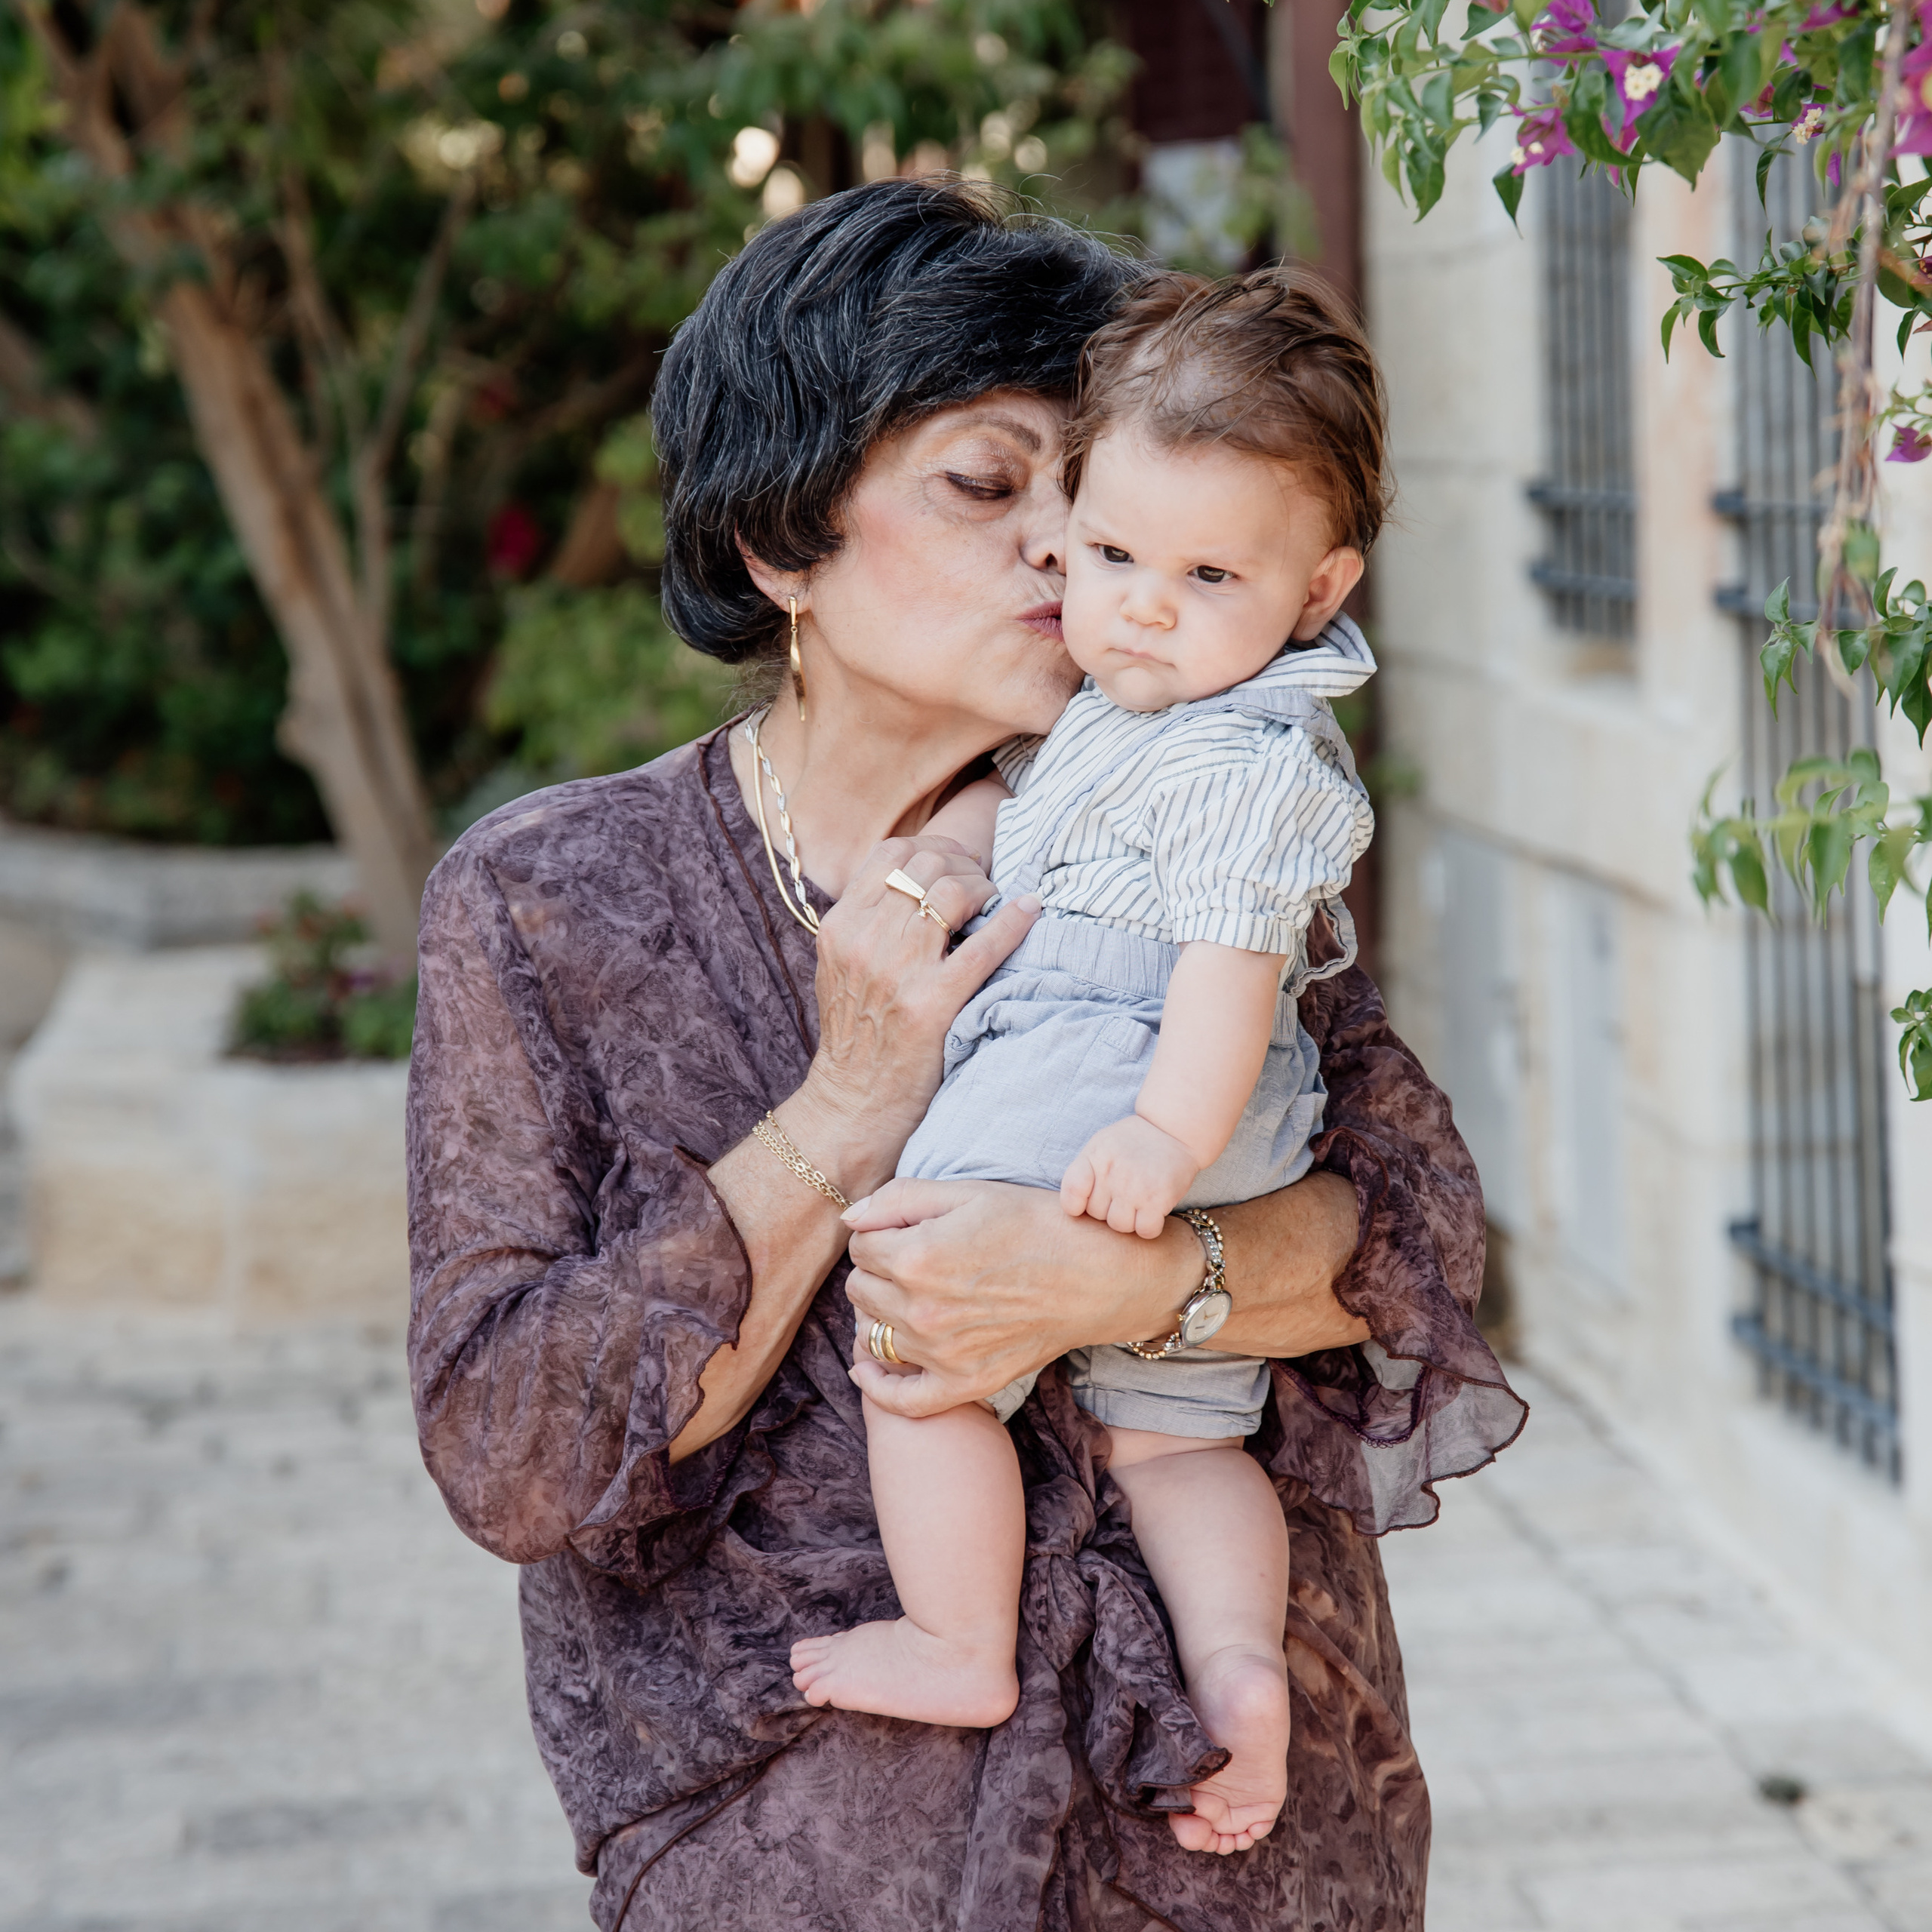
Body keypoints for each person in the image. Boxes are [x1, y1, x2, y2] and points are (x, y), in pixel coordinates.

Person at [406, 177, 1526, 1932]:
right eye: (990, 485)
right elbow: (516, 1448)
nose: (1066, 551)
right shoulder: (555, 899)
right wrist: (849, 1103)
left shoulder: (1175, 796)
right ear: (779, 541)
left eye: (1087, 495)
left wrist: (1123, 1279)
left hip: (1235, 1844)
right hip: (802, 1859)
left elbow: (1412, 1243)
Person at [789, 267, 1386, 1863]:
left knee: (914, 1333)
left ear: (1319, 588)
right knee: (1176, 1431)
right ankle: (1238, 1668)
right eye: (1113, 554)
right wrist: (970, 833)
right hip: (1178, 1097)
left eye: (1206, 574)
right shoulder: (1163, 698)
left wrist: (1159, 1137)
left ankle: (955, 1638)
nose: (1139, 605)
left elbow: (1226, 972)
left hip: (1119, 1069)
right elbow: (1049, 797)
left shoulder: (1248, 759)